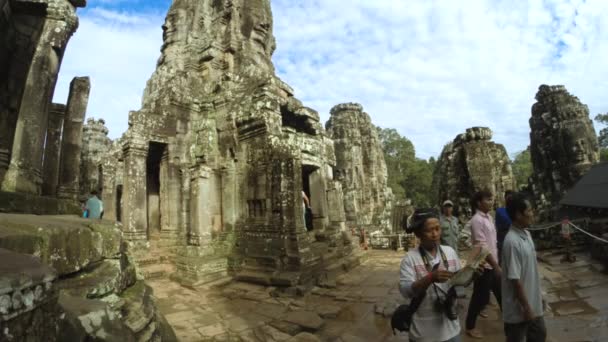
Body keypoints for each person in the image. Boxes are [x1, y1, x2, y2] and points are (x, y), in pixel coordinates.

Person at [399, 208, 462, 342]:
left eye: (437, 228)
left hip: (451, 331)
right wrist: (430, 278)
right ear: (418, 234)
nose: (435, 234)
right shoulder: (410, 259)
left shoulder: (450, 252)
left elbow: (459, 283)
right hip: (423, 334)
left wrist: (472, 274)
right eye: (429, 230)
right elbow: (405, 291)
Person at [502, 193, 546, 342]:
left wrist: (539, 296)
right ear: (518, 215)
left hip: (533, 302)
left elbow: (531, 271)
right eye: (529, 210)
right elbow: (515, 280)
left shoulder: (526, 234)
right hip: (519, 309)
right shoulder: (512, 242)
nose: (532, 214)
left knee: (540, 334)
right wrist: (526, 308)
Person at [465, 189, 502, 339]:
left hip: (492, 264)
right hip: (484, 266)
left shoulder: (489, 218)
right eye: (488, 199)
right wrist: (496, 266)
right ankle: (470, 326)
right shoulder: (476, 220)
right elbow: (482, 246)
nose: (491, 201)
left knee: (500, 294)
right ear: (479, 202)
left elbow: (493, 243)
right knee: (479, 297)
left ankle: (511, 320)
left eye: (491, 199)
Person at [496, 190, 514, 258]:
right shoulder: (500, 211)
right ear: (505, 198)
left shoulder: (517, 211)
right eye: (508, 198)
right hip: (503, 241)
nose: (510, 200)